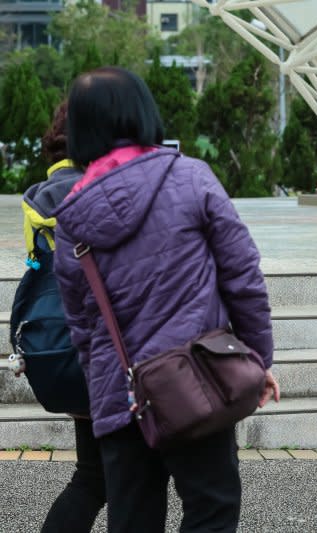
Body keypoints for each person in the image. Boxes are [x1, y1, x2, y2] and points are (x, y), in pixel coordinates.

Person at [52, 66, 279, 533]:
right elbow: (243, 278)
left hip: (121, 394)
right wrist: (257, 359)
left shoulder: (71, 216)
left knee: (132, 519)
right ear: (143, 112)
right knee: (212, 508)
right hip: (197, 380)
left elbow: (79, 322)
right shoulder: (191, 177)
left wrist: (102, 386)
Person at [17, 101, 107, 533]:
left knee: (93, 477)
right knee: (130, 480)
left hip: (60, 343)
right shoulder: (103, 189)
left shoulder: (38, 198)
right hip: (110, 351)